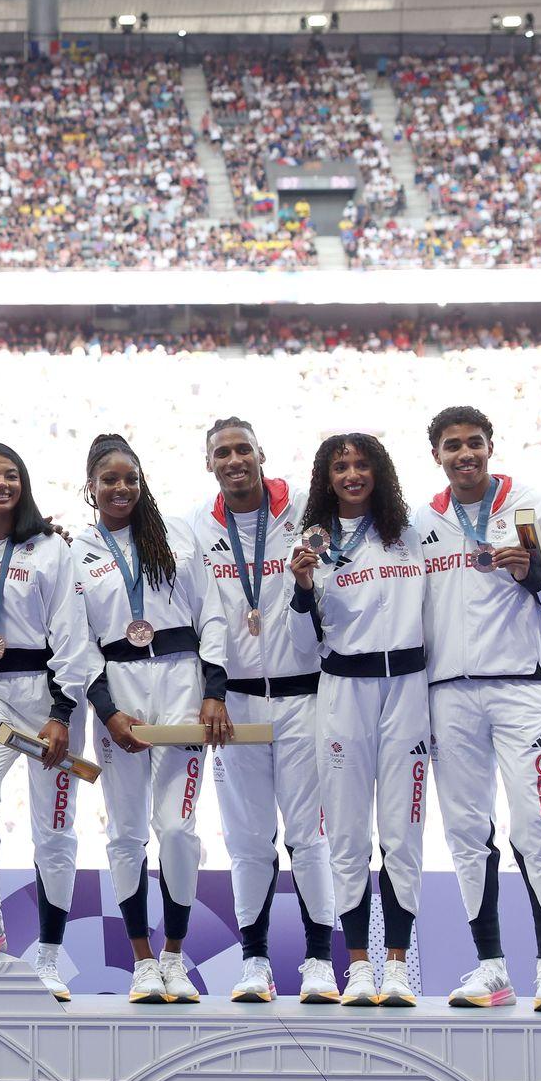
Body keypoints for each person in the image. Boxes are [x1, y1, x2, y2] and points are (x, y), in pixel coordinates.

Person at [417, 405, 541, 1012]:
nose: (463, 454)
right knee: (466, 832)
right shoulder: (421, 522)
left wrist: (539, 575)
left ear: (490, 446)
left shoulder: (534, 508)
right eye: (451, 446)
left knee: (535, 825)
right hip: (448, 693)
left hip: (522, 688)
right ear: (436, 454)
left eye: (473, 443)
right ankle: (490, 968)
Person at [0, 443, 99, 997]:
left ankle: (50, 956)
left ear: (23, 484)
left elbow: (74, 637)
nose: (0, 484)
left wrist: (60, 714)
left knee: (54, 831)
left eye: (10, 475)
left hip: (50, 697)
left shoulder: (52, 548)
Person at [72, 434, 230, 1004]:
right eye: (108, 479)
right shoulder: (78, 552)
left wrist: (214, 691)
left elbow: (212, 616)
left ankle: (175, 957)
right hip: (121, 692)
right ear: (90, 486)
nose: (120, 489)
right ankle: (141, 961)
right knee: (126, 833)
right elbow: (76, 642)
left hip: (182, 684)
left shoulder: (177, 537)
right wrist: (108, 712)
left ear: (142, 483)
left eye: (130, 479)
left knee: (180, 830)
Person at [187, 418, 339, 1005]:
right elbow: (208, 619)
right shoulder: (199, 527)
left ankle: (320, 963)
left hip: (306, 695)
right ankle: (254, 962)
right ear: (210, 464)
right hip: (238, 701)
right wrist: (215, 689)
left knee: (310, 838)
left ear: (261, 453)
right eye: (221, 452)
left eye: (242, 449)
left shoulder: (304, 512)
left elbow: (331, 590)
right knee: (248, 842)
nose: (233, 460)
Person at [290, 432, 428, 1008]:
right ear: (326, 477)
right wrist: (300, 589)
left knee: (403, 833)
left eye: (362, 464)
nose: (352, 474)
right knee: (346, 836)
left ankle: (397, 965)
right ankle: (359, 967)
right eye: (340, 466)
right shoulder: (312, 544)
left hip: (408, 689)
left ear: (380, 472)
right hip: (342, 689)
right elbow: (301, 644)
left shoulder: (413, 533)